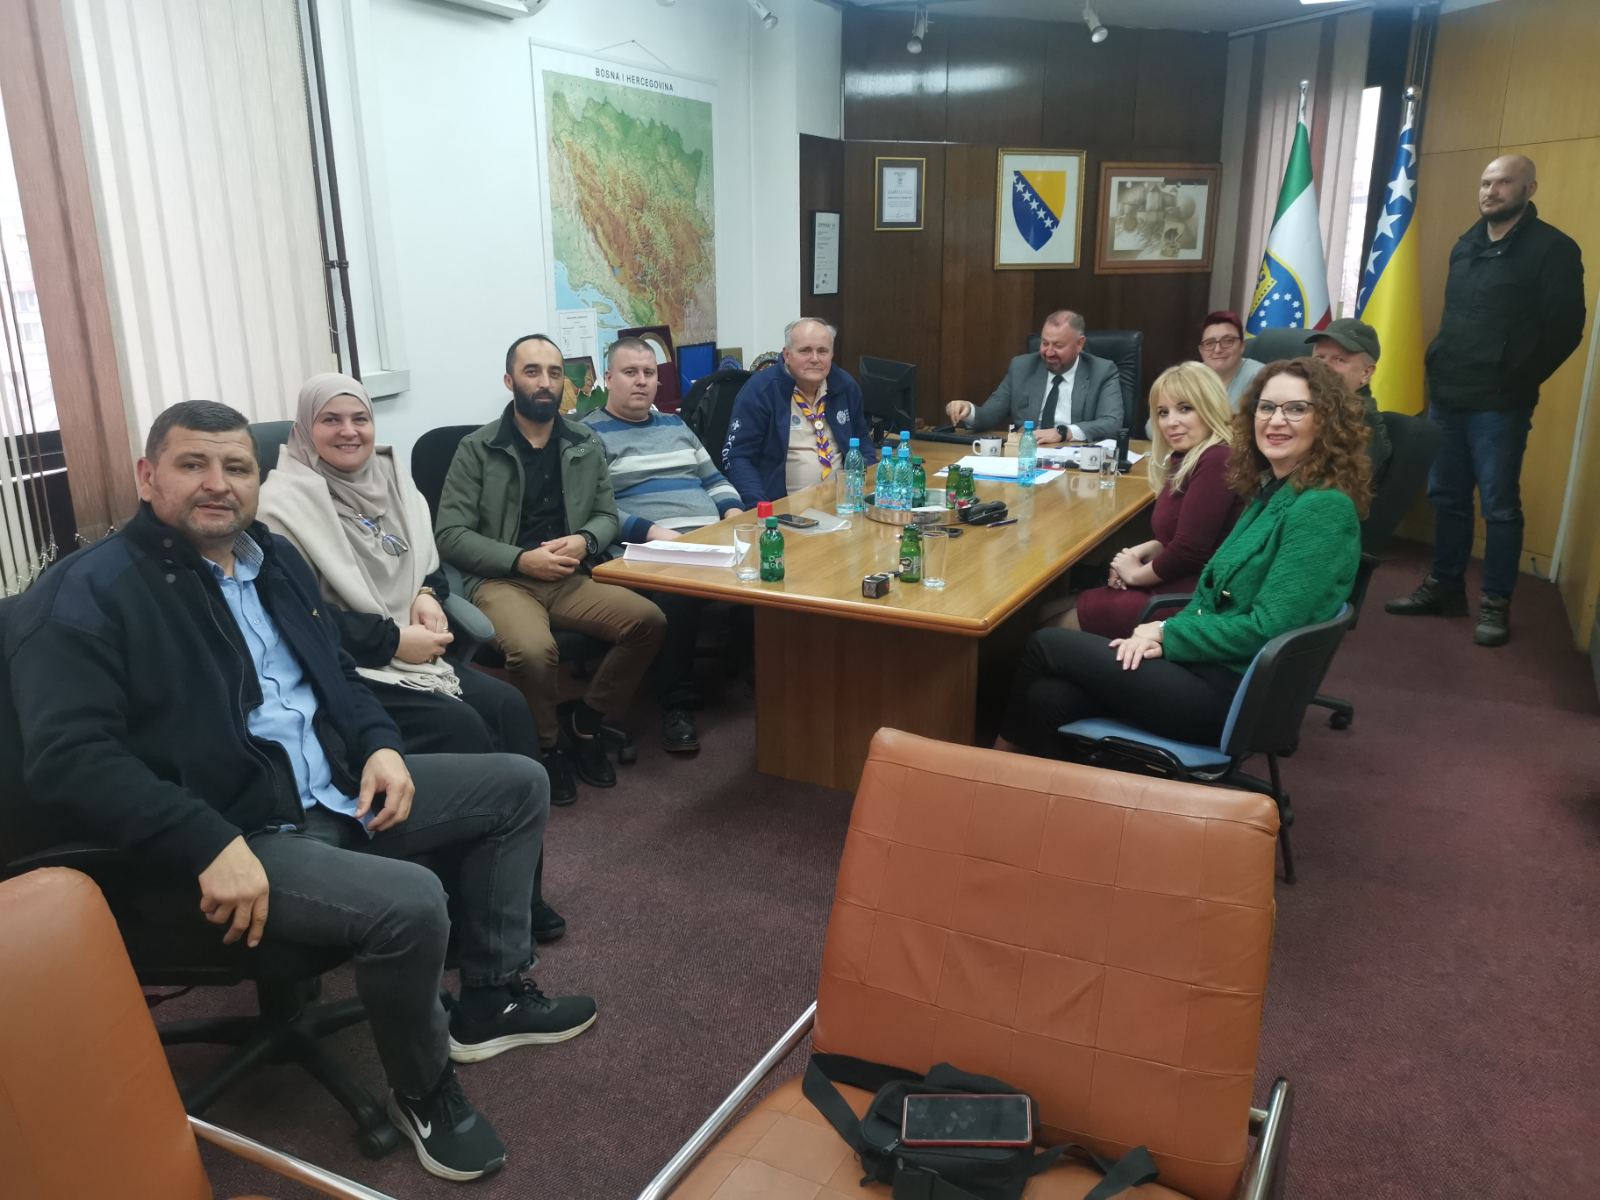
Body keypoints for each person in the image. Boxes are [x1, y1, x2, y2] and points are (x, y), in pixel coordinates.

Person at [5, 401, 596, 1183]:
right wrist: (205, 839)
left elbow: (335, 676)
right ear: (147, 477)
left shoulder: (273, 558)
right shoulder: (88, 594)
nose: (218, 484)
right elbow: (69, 760)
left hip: (330, 788)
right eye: (192, 465)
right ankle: (424, 1092)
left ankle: (491, 999)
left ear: (259, 479)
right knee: (412, 902)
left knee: (517, 786)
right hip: (232, 830)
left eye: (236, 467)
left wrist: (379, 745)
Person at [256, 373, 566, 942]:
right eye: (331, 420)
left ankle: (521, 891)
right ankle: (463, 908)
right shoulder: (280, 505)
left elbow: (427, 565)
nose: (349, 432)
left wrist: (426, 594)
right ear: (303, 429)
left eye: (360, 419)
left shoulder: (394, 477)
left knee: (509, 707)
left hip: (416, 655)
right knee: (461, 726)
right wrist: (391, 641)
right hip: (351, 667)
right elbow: (301, 618)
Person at [996, 358, 1369, 758]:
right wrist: (1163, 635)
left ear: (1327, 420)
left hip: (1229, 694)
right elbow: (1214, 592)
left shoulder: (1321, 509)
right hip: (1205, 664)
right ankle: (1060, 787)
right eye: (1266, 407)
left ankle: (988, 769)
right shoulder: (1275, 492)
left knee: (1045, 644)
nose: (1276, 421)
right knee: (1048, 697)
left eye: (1295, 408)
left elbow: (1268, 628)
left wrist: (1165, 633)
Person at [434, 334, 667, 802]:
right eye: (532, 371)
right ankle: (546, 747)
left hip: (567, 576)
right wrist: (520, 559)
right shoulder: (477, 448)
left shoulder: (584, 441)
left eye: (554, 373)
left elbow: (605, 514)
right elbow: (450, 535)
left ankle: (585, 723)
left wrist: (584, 540)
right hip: (502, 580)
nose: (545, 382)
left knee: (649, 622)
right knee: (534, 651)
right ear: (509, 381)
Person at [1387, 154, 1585, 647]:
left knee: (1499, 506)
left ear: (1529, 188)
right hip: (1449, 394)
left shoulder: (1554, 249)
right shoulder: (1466, 244)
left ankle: (1495, 602)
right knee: (1446, 497)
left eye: (1503, 182)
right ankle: (1445, 587)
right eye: (1485, 182)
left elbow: (1566, 329)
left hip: (1501, 404)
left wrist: (1516, 376)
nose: (1491, 191)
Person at [582, 337, 745, 752]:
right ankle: (677, 704)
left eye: (649, 373)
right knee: (679, 595)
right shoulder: (588, 435)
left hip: (709, 541)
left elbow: (714, 478)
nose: (641, 381)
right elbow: (596, 509)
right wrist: (657, 533)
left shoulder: (675, 425)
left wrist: (732, 513)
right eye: (630, 372)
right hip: (646, 551)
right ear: (608, 379)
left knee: (774, 571)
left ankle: (760, 677)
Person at [1067, 363, 1242, 639]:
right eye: (1163, 412)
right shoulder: (1189, 457)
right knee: (1050, 609)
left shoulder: (1217, 459)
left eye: (1185, 408)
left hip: (1194, 599)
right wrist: (1143, 551)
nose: (1171, 422)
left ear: (1210, 407)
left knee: (1051, 620)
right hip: (1177, 581)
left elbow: (1189, 552)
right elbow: (1187, 534)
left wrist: (1135, 575)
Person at [722, 318, 877, 507]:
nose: (815, 359)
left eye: (823, 351)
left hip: (842, 503)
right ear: (787, 355)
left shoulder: (845, 386)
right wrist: (760, 509)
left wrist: (864, 486)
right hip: (784, 510)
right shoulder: (760, 391)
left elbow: (862, 442)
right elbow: (739, 458)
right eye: (805, 350)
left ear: (832, 355)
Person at [944, 310, 1123, 444]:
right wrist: (968, 410)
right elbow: (989, 414)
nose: (1049, 352)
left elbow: (1112, 423)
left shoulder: (1102, 371)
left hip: (1075, 459)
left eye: (1058, 345)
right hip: (1027, 454)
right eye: (1045, 343)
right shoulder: (1022, 367)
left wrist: (1062, 432)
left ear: (1080, 344)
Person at [1307, 318, 1393, 484]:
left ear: (1366, 373)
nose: (1323, 366)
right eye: (1319, 358)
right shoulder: (1298, 403)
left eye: (1339, 360)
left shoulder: (1361, 426)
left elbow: (1338, 487)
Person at [1196, 310, 1263, 407]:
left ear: (1242, 346)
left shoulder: (1261, 377)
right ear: (1201, 350)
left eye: (1227, 341)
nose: (1218, 350)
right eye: (1209, 343)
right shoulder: (1190, 377)